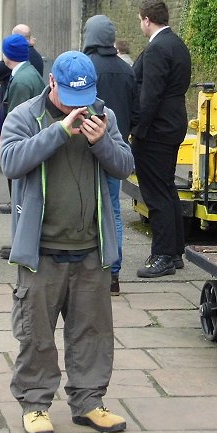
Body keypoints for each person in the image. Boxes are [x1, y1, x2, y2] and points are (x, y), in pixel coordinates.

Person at [0, 51, 134, 433]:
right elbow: (10, 162)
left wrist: (100, 142)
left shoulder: (102, 115)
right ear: (52, 83)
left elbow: (124, 165)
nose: (81, 107)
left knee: (92, 333)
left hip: (91, 247)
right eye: (72, 98)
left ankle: (89, 403)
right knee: (35, 335)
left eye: (86, 97)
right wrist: (58, 132)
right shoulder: (25, 115)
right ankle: (35, 404)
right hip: (40, 251)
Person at [131, 0, 192, 278]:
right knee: (167, 188)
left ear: (146, 19)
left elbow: (150, 94)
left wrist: (137, 129)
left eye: (140, 20)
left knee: (155, 192)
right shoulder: (177, 45)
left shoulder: (157, 49)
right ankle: (175, 250)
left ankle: (163, 255)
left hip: (157, 129)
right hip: (173, 122)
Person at [83, 15, 136, 294]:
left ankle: (89, 268)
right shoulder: (127, 69)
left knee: (86, 210)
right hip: (116, 150)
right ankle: (113, 273)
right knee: (113, 210)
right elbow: (136, 110)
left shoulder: (85, 67)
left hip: (87, 149)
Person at [0, 32, 46, 258]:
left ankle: (21, 245)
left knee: (22, 201)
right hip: (33, 146)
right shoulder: (29, 73)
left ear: (7, 54)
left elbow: (17, 121)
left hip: (24, 150)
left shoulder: (22, 80)